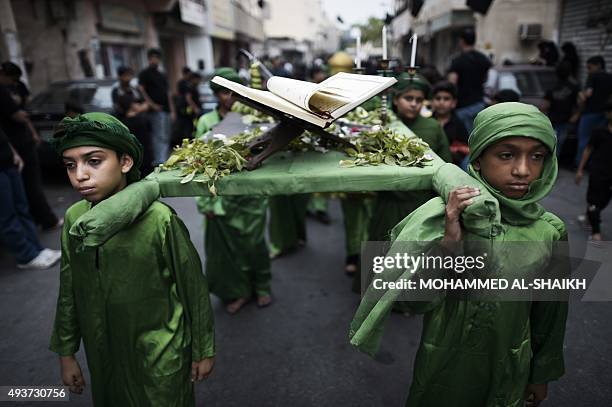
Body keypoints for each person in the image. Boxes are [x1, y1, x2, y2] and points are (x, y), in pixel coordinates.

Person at [351, 102, 568, 406]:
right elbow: (414, 302)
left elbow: (551, 315)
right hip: (443, 363)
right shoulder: (442, 217)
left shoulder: (550, 231)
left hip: (509, 364)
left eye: (537, 156)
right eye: (506, 155)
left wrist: (540, 374)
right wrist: (450, 244)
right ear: (477, 160)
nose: (523, 170)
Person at [49, 112, 215, 406]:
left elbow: (194, 289)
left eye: (94, 161)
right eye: (70, 165)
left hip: (161, 352)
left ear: (125, 162)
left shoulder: (159, 219)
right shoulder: (76, 218)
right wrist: (67, 353)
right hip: (103, 353)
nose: (80, 174)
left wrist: (203, 349)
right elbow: (69, 289)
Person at [195, 68, 272, 313]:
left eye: (232, 92)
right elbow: (199, 163)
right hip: (221, 195)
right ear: (216, 94)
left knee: (255, 244)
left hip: (250, 194)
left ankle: (262, 286)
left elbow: (267, 153)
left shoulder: (254, 119)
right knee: (228, 249)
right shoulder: (207, 121)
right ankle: (238, 291)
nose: (227, 97)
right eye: (222, 92)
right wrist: (205, 202)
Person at [0, 62, 62, 230]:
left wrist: (33, 132)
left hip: (18, 144)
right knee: (30, 185)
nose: (14, 83)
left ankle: (39, 220)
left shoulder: (16, 87)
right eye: (12, 79)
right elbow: (20, 116)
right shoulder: (3, 92)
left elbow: (24, 115)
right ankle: (47, 220)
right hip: (16, 146)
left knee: (26, 187)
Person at [0, 127, 61, 269]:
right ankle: (26, 255)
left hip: (7, 159)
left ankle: (36, 249)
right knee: (7, 215)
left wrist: (13, 153)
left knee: (22, 208)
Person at [575, 97, 612, 242]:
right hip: (597, 171)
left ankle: (589, 216)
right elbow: (588, 150)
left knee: (603, 201)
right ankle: (596, 232)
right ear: (608, 114)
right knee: (594, 201)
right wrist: (580, 170)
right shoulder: (599, 132)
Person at [447, 28, 492, 133]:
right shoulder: (483, 59)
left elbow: (451, 83)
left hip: (462, 106)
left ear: (461, 41)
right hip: (479, 103)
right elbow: (486, 79)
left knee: (465, 139)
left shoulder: (457, 61)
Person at [138, 48, 176, 165]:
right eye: (152, 58)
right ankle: (160, 161)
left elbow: (168, 93)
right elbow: (141, 90)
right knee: (158, 135)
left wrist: (172, 110)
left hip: (165, 110)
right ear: (149, 59)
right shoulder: (144, 74)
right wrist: (152, 105)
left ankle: (163, 158)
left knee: (166, 135)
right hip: (154, 110)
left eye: (156, 58)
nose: (154, 60)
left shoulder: (162, 74)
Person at [575, 55, 612, 167]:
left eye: (590, 67)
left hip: (590, 112)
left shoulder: (593, 76)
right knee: (599, 140)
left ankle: (579, 164)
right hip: (605, 113)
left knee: (584, 139)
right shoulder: (610, 77)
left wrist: (580, 96)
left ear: (598, 66)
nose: (588, 70)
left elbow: (587, 94)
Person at [543, 61, 580, 158]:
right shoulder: (574, 86)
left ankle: (549, 165)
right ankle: (553, 165)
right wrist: (576, 115)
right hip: (565, 119)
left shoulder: (551, 86)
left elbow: (546, 105)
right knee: (558, 144)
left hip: (552, 119)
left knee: (550, 143)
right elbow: (579, 102)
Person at [431, 81, 469, 166]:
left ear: (454, 103)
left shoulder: (458, 124)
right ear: (432, 101)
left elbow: (466, 149)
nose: (441, 102)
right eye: (438, 98)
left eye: (446, 99)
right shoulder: (428, 121)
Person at [116, 93, 154, 176]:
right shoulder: (142, 120)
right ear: (132, 105)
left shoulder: (121, 123)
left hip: (130, 159)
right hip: (146, 158)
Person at [173, 71, 202, 145]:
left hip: (189, 113)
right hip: (189, 113)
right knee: (189, 128)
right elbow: (188, 98)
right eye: (197, 79)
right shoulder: (189, 87)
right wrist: (195, 108)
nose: (198, 81)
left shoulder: (191, 86)